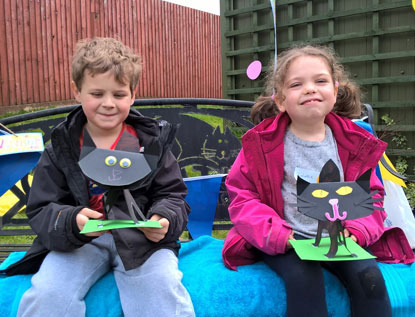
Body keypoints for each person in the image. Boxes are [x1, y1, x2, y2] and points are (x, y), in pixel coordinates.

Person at [2, 37, 195, 317]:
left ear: (132, 94)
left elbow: (172, 195)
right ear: (77, 92)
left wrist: (163, 219)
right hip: (78, 244)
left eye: (118, 94)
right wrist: (71, 220)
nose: (108, 104)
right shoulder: (61, 148)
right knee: (48, 295)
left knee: (162, 290)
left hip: (142, 243)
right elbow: (41, 208)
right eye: (96, 94)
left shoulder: (150, 144)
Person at [222, 44, 414, 317]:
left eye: (320, 81)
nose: (310, 89)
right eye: (297, 84)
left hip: (341, 239)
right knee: (304, 279)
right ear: (280, 100)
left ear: (335, 91)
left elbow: (372, 196)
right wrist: (278, 235)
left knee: (370, 280)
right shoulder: (261, 145)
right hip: (286, 240)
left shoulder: (355, 143)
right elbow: (243, 196)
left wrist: (357, 229)